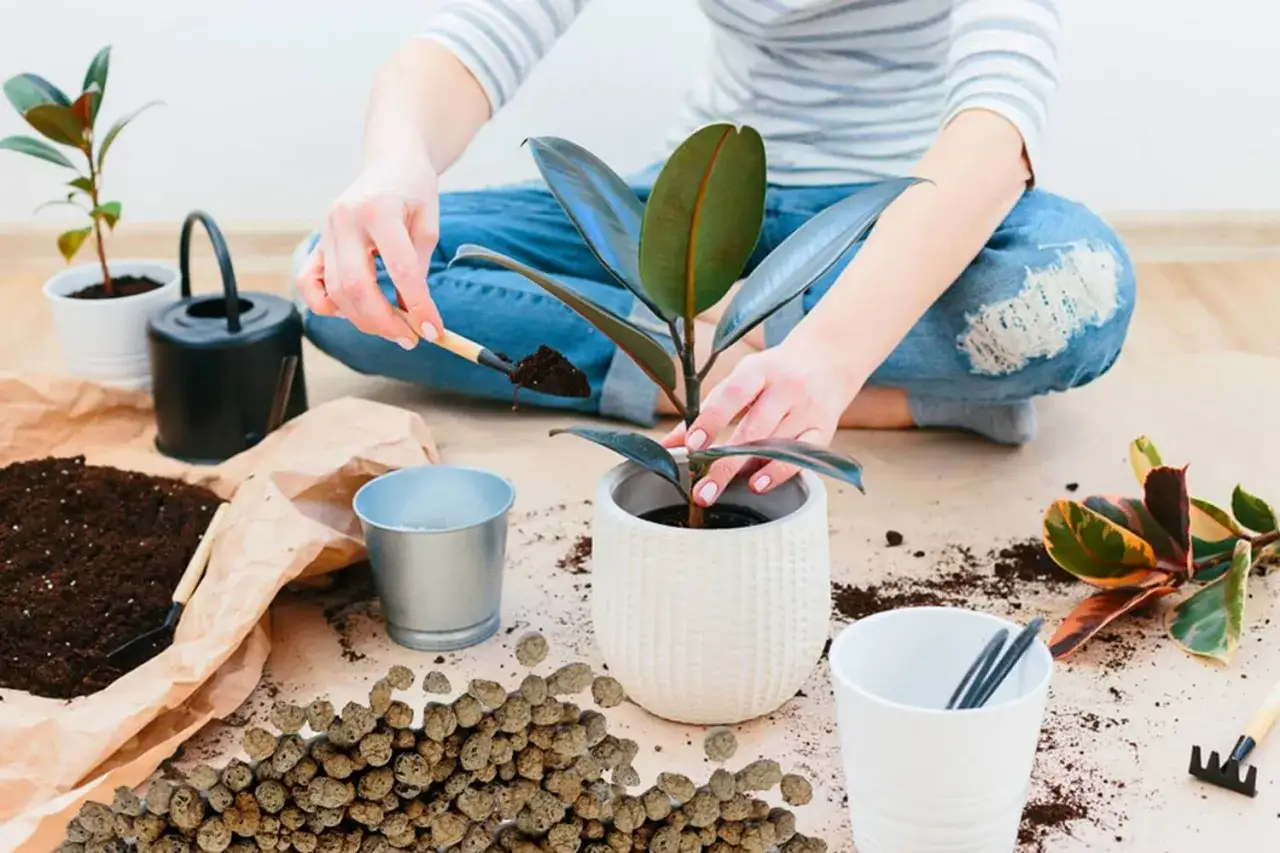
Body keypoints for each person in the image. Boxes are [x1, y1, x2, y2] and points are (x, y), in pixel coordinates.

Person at [293, 0, 1134, 509]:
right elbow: (477, 35)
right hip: (699, 203)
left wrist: (833, 355)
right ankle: (906, 394)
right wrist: (396, 158)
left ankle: (770, 377)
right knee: (342, 277)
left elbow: (997, 130)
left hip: (895, 213)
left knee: (1079, 285)